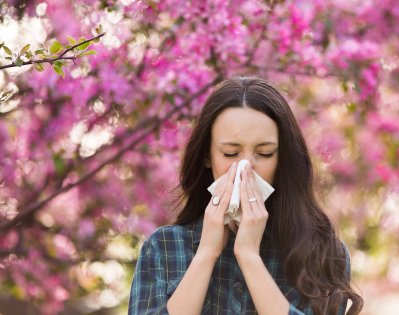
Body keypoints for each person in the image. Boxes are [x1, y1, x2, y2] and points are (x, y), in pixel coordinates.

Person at [128, 77, 363, 314]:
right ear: (207, 156)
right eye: (230, 153)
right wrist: (206, 253)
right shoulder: (163, 248)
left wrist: (249, 257)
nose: (246, 167)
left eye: (265, 153)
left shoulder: (322, 253)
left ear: (282, 159)